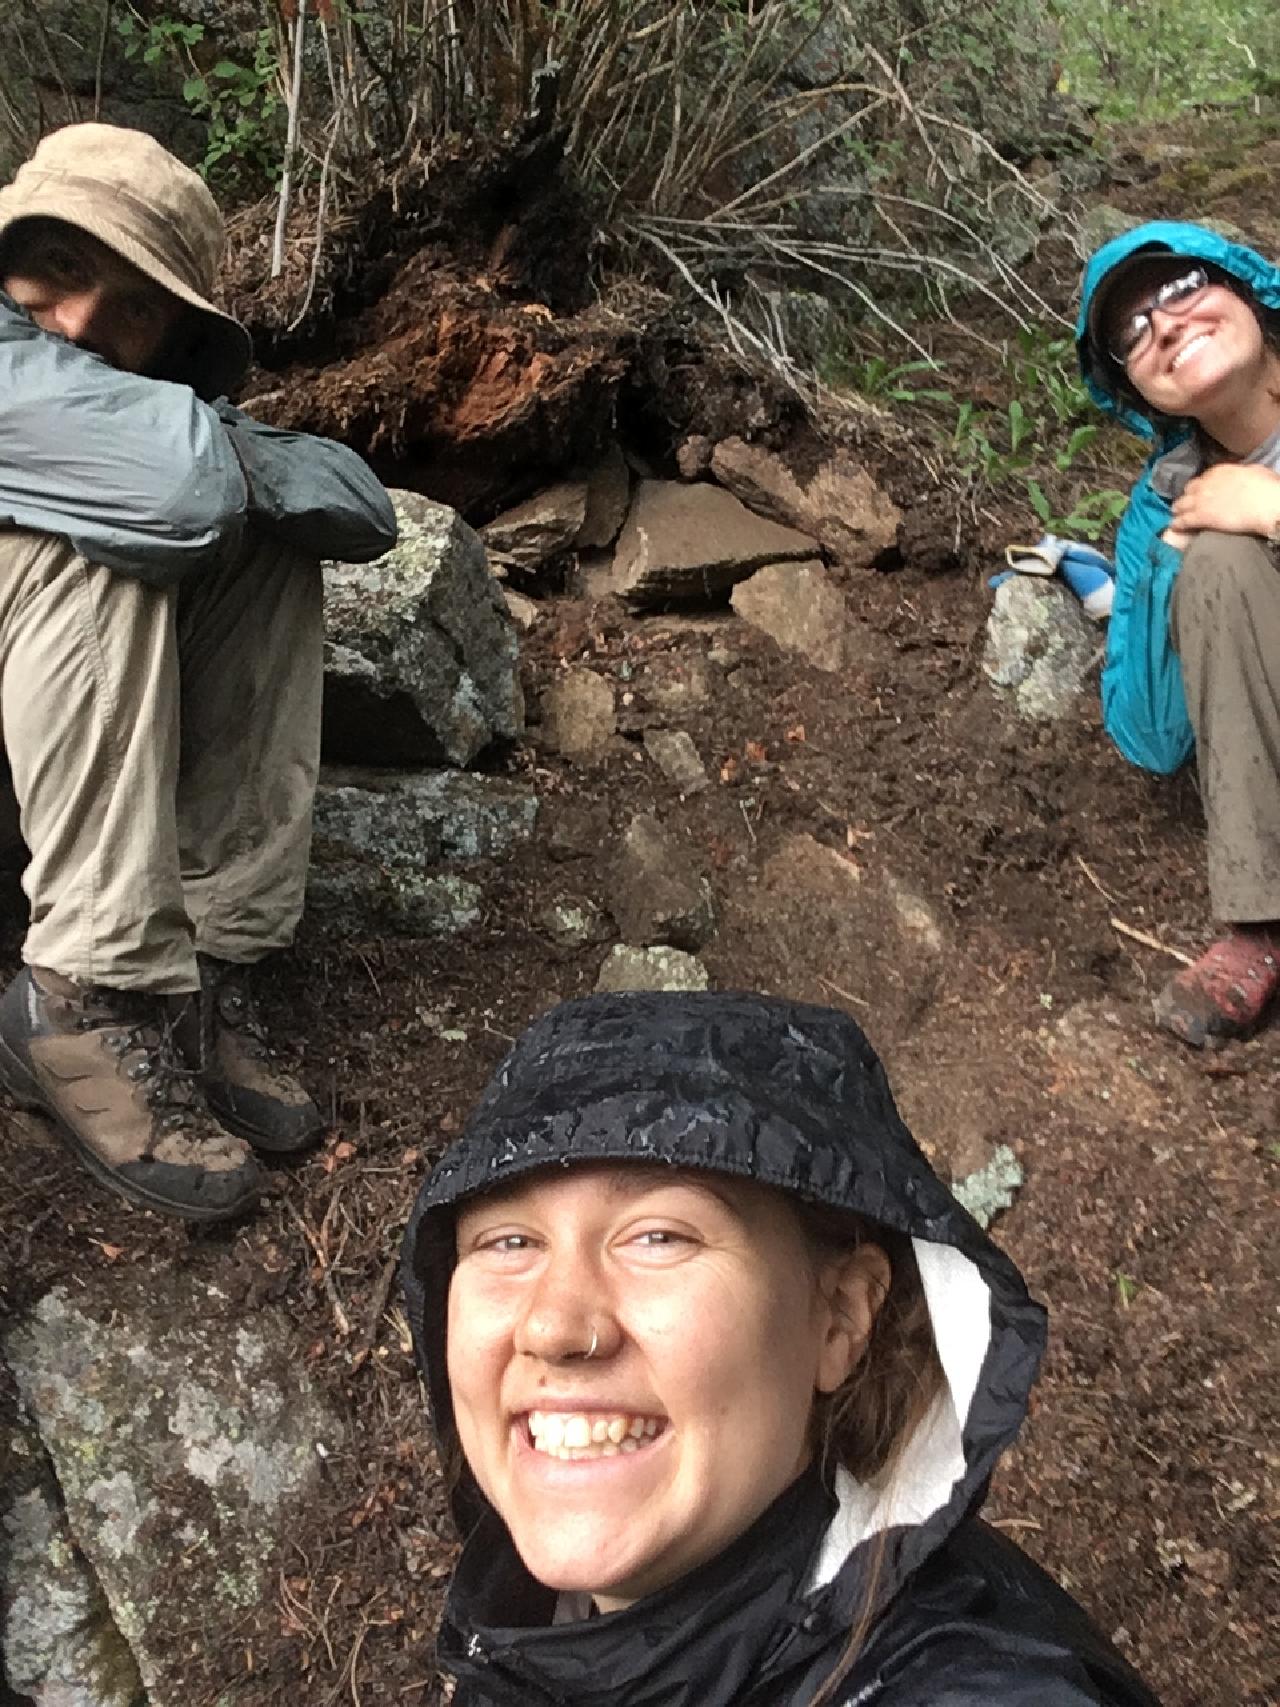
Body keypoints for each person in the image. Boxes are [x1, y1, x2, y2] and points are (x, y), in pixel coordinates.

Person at [402, 990, 1161, 1706]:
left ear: (840, 1315)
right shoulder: (537, 1630)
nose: (554, 1326)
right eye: (507, 1241)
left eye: (659, 1235)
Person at [0, 123, 397, 1221]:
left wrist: (215, 451)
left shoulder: (114, 404)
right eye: (66, 269)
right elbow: (171, 492)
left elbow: (360, 512)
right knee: (102, 533)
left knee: (267, 553)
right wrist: (216, 447)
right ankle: (85, 991)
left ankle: (201, 966)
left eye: (134, 309)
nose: (82, 328)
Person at [1077, 222, 1280, 1047]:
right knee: (1222, 564)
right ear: (1130, 390)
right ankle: (1262, 923)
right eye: (1132, 329)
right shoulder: (1167, 500)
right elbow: (1152, 739)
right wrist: (1173, 558)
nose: (1164, 322)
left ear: (1245, 290)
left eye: (1182, 284)